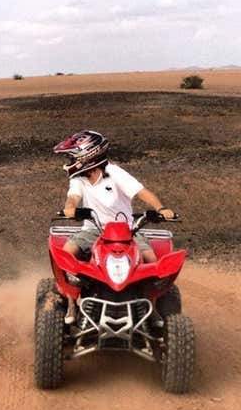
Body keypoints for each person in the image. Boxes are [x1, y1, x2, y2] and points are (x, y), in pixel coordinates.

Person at [54, 130, 175, 322]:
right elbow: (73, 197)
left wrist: (161, 208)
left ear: (88, 156)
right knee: (66, 253)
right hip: (93, 230)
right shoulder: (78, 179)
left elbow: (141, 192)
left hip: (127, 230)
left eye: (72, 157)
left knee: (152, 259)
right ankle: (71, 304)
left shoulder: (116, 173)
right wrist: (69, 208)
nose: (69, 162)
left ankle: (151, 306)